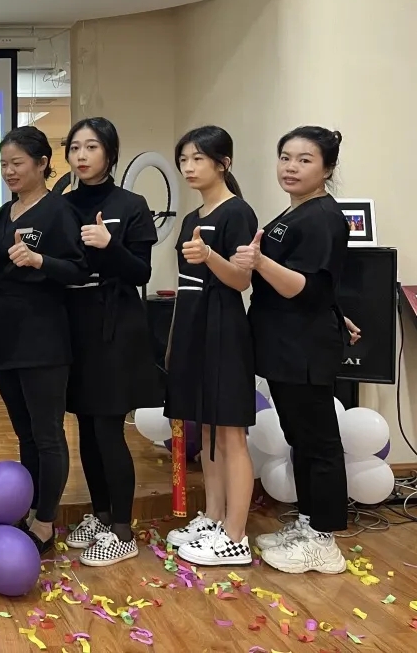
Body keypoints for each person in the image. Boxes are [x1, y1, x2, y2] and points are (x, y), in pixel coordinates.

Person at [233, 127, 351, 574]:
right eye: (286, 157)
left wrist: (260, 261)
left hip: (305, 348)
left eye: (305, 159)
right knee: (300, 438)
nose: (291, 167)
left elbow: (305, 288)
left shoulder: (323, 216)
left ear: (327, 168)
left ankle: (324, 541)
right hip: (284, 344)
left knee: (319, 443)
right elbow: (323, 286)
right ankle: (307, 522)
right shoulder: (294, 211)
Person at [0, 125, 88, 553]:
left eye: (17, 163)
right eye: (4, 164)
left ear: (43, 163)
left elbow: (78, 270)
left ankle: (46, 521)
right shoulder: (2, 214)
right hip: (4, 334)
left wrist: (40, 259)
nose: (9, 171)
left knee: (47, 434)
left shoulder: (59, 211)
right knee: (24, 434)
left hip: (43, 335)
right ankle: (29, 508)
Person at [61, 117, 159, 567]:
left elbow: (141, 271)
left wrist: (108, 244)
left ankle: (122, 530)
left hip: (116, 327)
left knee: (107, 427)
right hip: (74, 325)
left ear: (110, 153)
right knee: (85, 425)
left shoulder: (131, 204)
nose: (81, 156)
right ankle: (100, 516)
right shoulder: (62, 204)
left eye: (92, 147)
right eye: (75, 147)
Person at [164, 126, 258, 566]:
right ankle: (214, 517)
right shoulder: (191, 218)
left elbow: (241, 280)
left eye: (198, 158)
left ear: (224, 163)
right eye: (184, 159)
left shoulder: (238, 212)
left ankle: (236, 535)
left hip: (223, 326)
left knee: (231, 433)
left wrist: (209, 256)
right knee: (205, 430)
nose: (189, 167)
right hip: (192, 325)